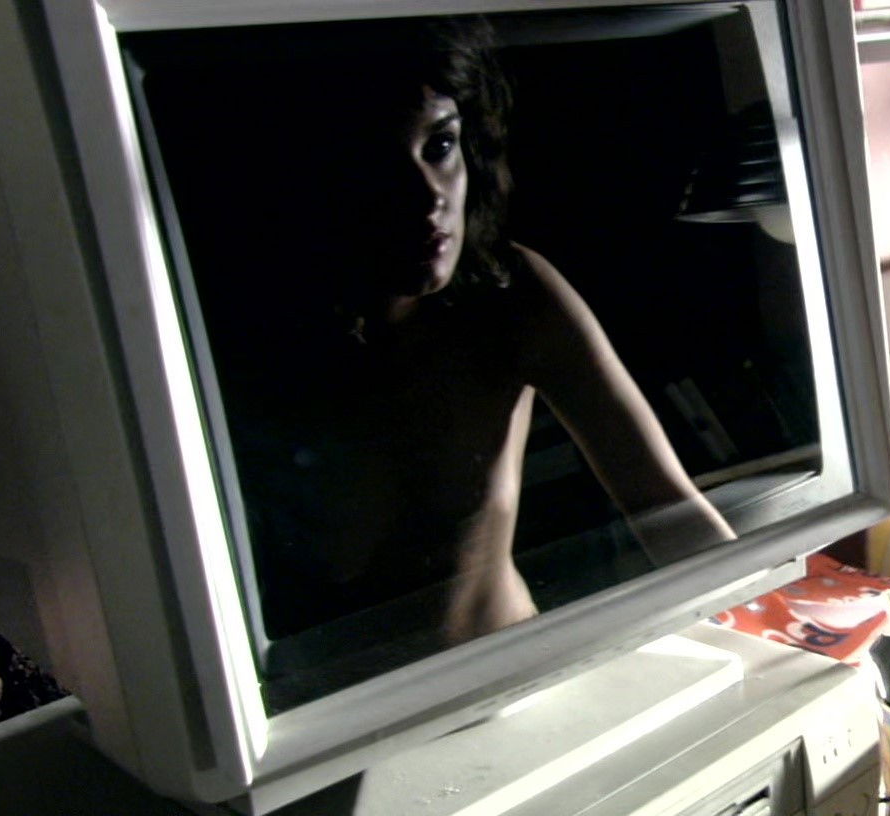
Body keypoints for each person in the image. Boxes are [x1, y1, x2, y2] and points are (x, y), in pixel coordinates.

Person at [214, 18, 735, 646]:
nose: (425, 197)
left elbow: (668, 508)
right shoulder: (245, 346)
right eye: (376, 163)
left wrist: (771, 638)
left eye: (440, 146)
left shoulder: (511, 295)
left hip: (519, 667)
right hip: (344, 697)